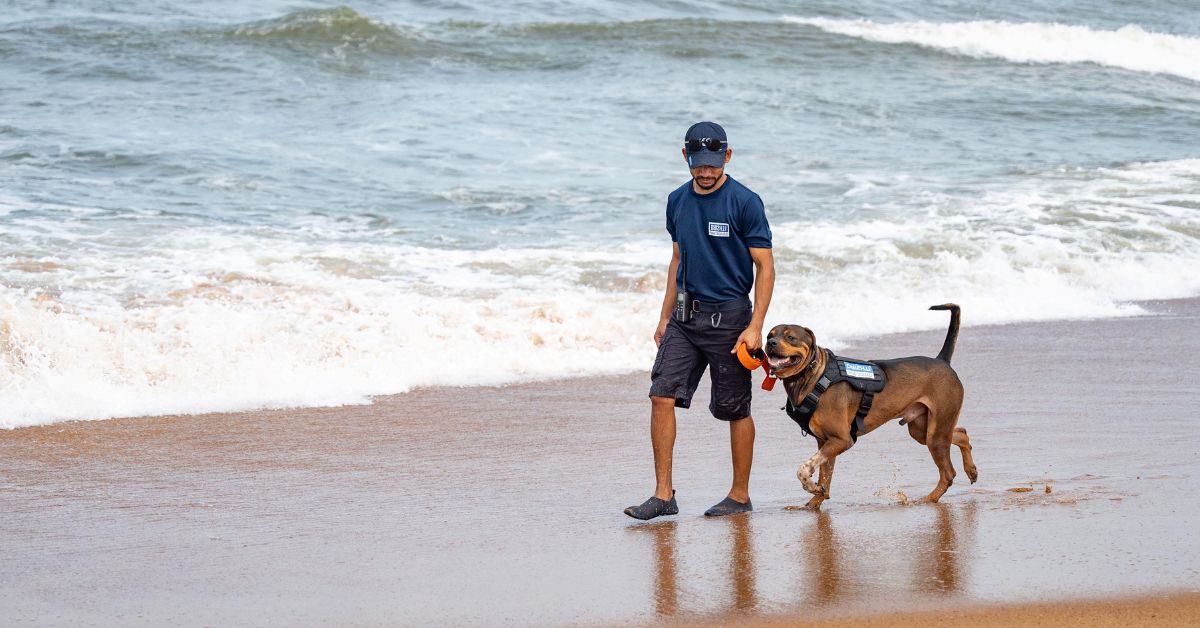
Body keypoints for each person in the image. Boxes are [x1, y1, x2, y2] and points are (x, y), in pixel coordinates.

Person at [625, 121, 774, 520]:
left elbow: (765, 266)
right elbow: (677, 259)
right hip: (686, 316)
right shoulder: (676, 200)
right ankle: (663, 494)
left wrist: (756, 324)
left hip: (731, 317)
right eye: (697, 164)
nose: (705, 172)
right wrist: (663, 317)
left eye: (712, 164)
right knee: (661, 394)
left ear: (726, 156)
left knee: (735, 409)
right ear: (685, 157)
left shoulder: (745, 201)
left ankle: (739, 496)